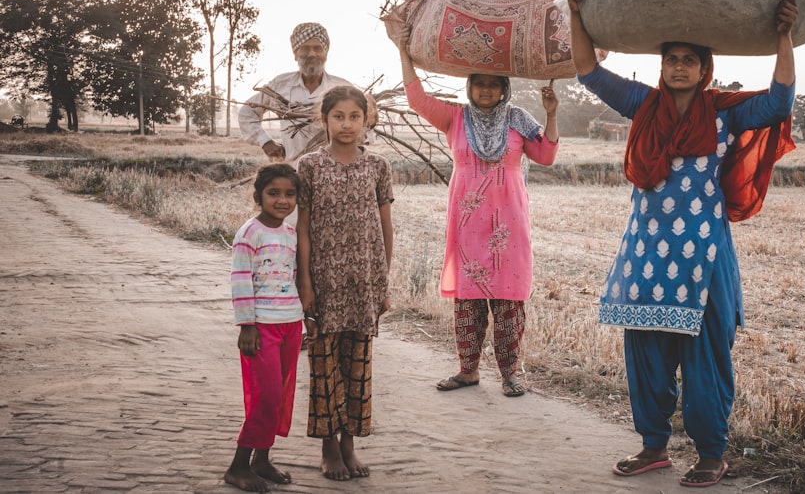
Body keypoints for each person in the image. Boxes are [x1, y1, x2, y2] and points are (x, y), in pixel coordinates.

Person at [567, 0, 797, 487]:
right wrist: (575, 12)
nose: (678, 67)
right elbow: (587, 71)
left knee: (704, 359)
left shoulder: (723, 114)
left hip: (704, 259)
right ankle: (653, 448)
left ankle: (712, 453)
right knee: (645, 353)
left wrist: (783, 36)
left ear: (704, 68)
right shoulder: (641, 104)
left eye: (688, 60)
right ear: (662, 66)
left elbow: (779, 102)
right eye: (671, 59)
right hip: (645, 253)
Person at [397, 31, 560, 398]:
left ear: (504, 88)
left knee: (508, 301)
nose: (485, 90)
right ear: (469, 87)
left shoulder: (518, 119)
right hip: (467, 223)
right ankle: (467, 370)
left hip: (509, 223)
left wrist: (551, 114)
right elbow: (417, 98)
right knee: (468, 300)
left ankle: (510, 374)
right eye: (479, 84)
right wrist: (402, 49)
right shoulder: (455, 118)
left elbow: (546, 156)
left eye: (493, 84)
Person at [295, 85, 394, 481]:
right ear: (325, 120)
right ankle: (328, 448)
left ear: (367, 119)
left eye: (355, 116)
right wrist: (305, 282)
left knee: (357, 366)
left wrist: (384, 282)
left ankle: (350, 443)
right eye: (339, 116)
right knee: (324, 367)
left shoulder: (379, 166)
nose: (347, 124)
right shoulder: (310, 166)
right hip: (324, 281)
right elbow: (302, 228)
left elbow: (386, 227)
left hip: (364, 284)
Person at [225, 163, 315, 492]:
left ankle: (261, 460)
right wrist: (246, 325)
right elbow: (240, 281)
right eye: (273, 193)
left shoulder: (291, 235)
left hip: (290, 325)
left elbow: (296, 278)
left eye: (290, 194)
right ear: (259, 195)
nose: (282, 200)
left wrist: (307, 319)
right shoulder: (249, 233)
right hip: (260, 328)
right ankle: (237, 466)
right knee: (265, 398)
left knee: (280, 399)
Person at [238, 22, 356, 163]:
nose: (312, 54)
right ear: (295, 54)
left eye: (318, 48)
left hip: (336, 171)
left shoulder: (343, 88)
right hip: (294, 170)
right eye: (305, 48)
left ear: (326, 54)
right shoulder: (280, 85)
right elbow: (247, 113)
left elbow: (364, 127)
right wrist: (265, 141)